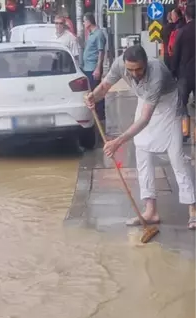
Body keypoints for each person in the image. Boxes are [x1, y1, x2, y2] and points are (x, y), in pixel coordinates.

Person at [85, 45, 196, 229]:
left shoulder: (156, 73)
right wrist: (93, 97)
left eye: (139, 69)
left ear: (146, 63)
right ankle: (150, 210)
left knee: (176, 156)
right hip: (145, 100)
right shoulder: (119, 64)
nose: (135, 74)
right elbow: (104, 86)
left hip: (167, 105)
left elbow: (145, 119)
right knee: (142, 152)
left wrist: (117, 142)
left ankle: (192, 208)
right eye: (130, 70)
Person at [82, 12, 107, 125]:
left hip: (93, 68)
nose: (83, 23)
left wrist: (98, 68)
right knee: (91, 91)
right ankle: (95, 114)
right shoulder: (91, 34)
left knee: (97, 92)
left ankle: (101, 117)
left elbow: (101, 53)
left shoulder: (98, 34)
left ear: (88, 21)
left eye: (84, 21)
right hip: (87, 68)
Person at [171, 5, 196, 116]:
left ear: (186, 16)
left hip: (185, 74)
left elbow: (176, 54)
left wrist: (173, 71)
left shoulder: (182, 32)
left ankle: (184, 131)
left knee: (182, 105)